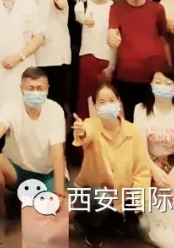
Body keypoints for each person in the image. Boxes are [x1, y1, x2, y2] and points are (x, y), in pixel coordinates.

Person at [0, 68, 67, 244]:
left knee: (66, 212)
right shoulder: (10, 107)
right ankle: (2, 215)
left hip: (46, 174)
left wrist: (59, 192)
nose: (35, 93)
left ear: (48, 88)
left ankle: (23, 200)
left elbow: (58, 152)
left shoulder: (56, 110)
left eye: (40, 88)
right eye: (30, 88)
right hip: (17, 171)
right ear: (21, 89)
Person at [72, 83, 151, 247]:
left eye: (111, 100)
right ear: (95, 106)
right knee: (102, 199)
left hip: (122, 194)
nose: (107, 105)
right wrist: (80, 131)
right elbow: (85, 134)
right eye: (101, 102)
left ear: (119, 102)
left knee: (143, 227)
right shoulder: (91, 124)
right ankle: (92, 228)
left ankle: (114, 220)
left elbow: (142, 171)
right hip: (93, 191)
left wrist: (136, 199)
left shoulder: (133, 131)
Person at [107, 0, 171, 117]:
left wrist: (169, 66)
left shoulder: (157, 8)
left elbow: (163, 36)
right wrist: (111, 36)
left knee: (154, 115)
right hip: (127, 73)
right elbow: (112, 31)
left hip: (155, 73)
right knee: (131, 116)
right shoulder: (116, 8)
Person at [133, 71, 174, 193]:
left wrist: (171, 177)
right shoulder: (140, 109)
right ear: (151, 85)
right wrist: (155, 171)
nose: (162, 86)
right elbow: (141, 149)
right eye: (158, 82)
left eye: (168, 83)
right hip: (148, 166)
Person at [26, 0, 72, 108]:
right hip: (35, 55)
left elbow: (61, 4)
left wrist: (60, 4)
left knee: (56, 98)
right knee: (38, 97)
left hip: (56, 56)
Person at [73, 0, 115, 119]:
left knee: (107, 97)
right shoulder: (82, 4)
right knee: (86, 97)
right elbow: (79, 16)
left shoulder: (113, 7)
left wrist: (112, 66)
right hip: (88, 57)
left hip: (107, 58)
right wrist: (85, 20)